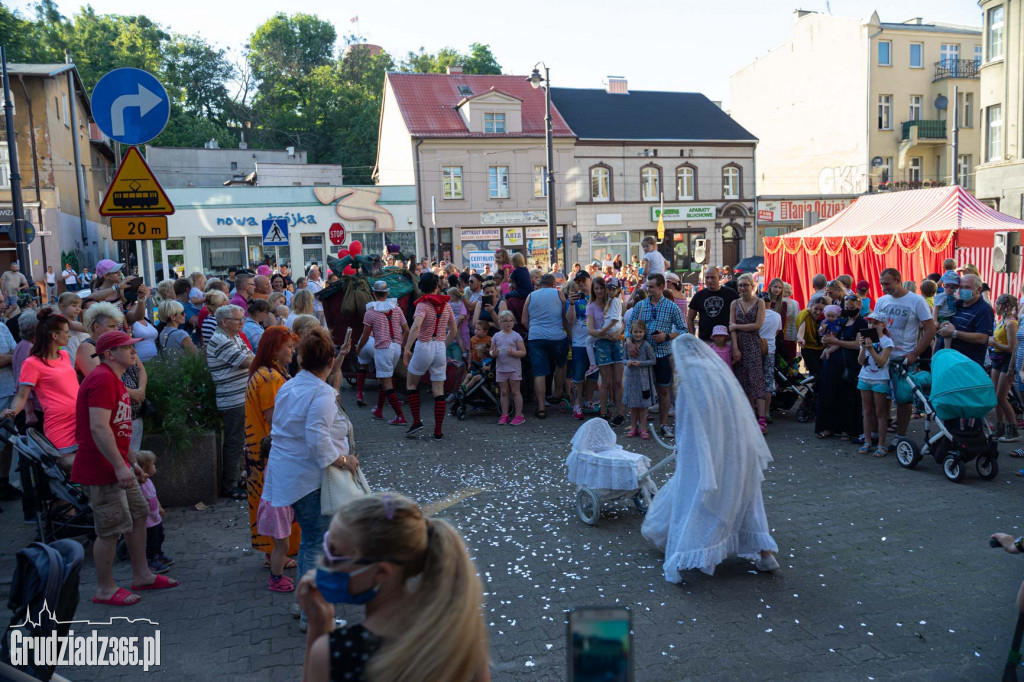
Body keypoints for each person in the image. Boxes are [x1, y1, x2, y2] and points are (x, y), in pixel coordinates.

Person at [297, 494, 489, 681]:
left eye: (335, 553)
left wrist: (318, 627)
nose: (323, 562)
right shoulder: (462, 640)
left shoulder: (335, 654)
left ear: (381, 572)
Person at [641, 333, 779, 577]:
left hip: (712, 454)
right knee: (746, 502)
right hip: (739, 450)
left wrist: (682, 448)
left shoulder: (689, 382)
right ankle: (765, 555)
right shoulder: (717, 373)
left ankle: (689, 552)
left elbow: (687, 424)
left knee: (703, 501)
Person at [72, 330, 178, 605]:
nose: (134, 352)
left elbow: (117, 430)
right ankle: (104, 588)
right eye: (127, 348)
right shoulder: (102, 380)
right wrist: (120, 467)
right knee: (109, 528)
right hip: (101, 467)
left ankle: (142, 574)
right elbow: (98, 428)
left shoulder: (115, 380)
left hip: (117, 464)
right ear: (109, 354)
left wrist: (132, 463)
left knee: (139, 514)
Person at [264, 328, 357, 629]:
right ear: (328, 362)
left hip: (290, 473)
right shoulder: (321, 393)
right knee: (317, 544)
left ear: (301, 359)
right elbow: (317, 440)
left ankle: (305, 604)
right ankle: (313, 615)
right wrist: (344, 460)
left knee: (309, 543)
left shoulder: (290, 386)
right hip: (307, 478)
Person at [245, 325, 302, 586]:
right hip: (269, 452)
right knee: (274, 506)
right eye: (288, 346)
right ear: (274, 349)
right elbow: (274, 420)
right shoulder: (268, 377)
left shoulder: (272, 372)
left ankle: (274, 552)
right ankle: (274, 554)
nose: (293, 350)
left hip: (266, 450)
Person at [3, 310, 79, 459]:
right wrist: (10, 412)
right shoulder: (32, 363)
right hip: (60, 425)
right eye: (66, 332)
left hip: (80, 419)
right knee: (70, 473)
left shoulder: (63, 355)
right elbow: (21, 396)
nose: (69, 335)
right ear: (54, 335)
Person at [627, 273, 685, 439]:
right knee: (640, 389)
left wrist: (666, 336)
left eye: (651, 286)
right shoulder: (641, 305)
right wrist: (629, 341)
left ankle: (664, 425)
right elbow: (628, 327)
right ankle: (639, 424)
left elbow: (683, 329)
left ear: (661, 287)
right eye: (647, 286)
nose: (648, 289)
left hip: (662, 353)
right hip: (642, 354)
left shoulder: (671, 306)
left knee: (664, 390)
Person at [207, 304, 255, 500]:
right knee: (235, 442)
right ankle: (230, 485)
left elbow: (250, 357)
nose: (242, 322)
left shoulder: (232, 337)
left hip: (240, 396)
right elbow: (247, 361)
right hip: (232, 399)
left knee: (241, 441)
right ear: (225, 322)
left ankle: (239, 477)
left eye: (243, 318)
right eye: (238, 319)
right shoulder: (220, 339)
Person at [403, 272, 458, 439]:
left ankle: (416, 422)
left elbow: (416, 326)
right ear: (437, 286)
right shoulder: (447, 306)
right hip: (440, 346)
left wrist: (407, 348)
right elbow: (454, 330)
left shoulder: (422, 305)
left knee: (412, 385)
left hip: (423, 346)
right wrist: (443, 344)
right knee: (439, 390)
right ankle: (438, 431)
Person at [356, 281, 409, 424]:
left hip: (383, 349)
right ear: (387, 293)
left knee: (386, 382)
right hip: (396, 347)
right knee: (383, 379)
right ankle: (378, 410)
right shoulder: (397, 309)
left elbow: (366, 335)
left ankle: (400, 416)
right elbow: (407, 330)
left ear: (373, 294)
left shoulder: (370, 312)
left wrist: (358, 348)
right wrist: (403, 344)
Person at [815, 295, 866, 440]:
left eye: (852, 308)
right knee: (829, 394)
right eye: (847, 308)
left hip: (849, 364)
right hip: (833, 363)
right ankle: (829, 427)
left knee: (847, 397)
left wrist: (837, 341)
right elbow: (828, 335)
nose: (849, 310)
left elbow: (857, 345)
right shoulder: (841, 320)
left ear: (859, 306)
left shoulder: (861, 323)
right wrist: (826, 341)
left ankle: (847, 429)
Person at [521, 273, 569, 419]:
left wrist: (534, 330)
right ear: (554, 284)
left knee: (539, 372)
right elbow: (565, 317)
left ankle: (541, 407)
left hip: (536, 337)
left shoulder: (531, 296)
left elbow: (524, 320)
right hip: (557, 336)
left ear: (540, 284)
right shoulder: (559, 294)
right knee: (561, 365)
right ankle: (557, 393)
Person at [729, 275, 769, 432]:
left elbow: (757, 325)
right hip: (739, 344)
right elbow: (731, 327)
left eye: (746, 285)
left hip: (753, 344)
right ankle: (749, 417)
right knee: (743, 380)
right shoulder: (734, 303)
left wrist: (737, 327)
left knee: (756, 380)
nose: (742, 288)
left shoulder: (760, 302)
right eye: (740, 285)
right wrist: (735, 347)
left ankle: (762, 419)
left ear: (752, 286)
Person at [587, 276, 626, 425]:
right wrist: (605, 335)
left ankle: (620, 413)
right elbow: (590, 330)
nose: (600, 291)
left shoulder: (614, 301)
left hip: (616, 342)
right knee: (605, 381)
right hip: (603, 342)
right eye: (596, 288)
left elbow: (621, 321)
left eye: (601, 288)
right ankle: (604, 412)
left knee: (618, 381)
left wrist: (618, 333)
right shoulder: (591, 306)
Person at [937, 273, 994, 369]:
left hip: (967, 364)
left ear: (979, 290)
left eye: (967, 287)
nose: (963, 290)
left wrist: (954, 333)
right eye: (961, 287)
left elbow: (982, 338)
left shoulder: (984, 309)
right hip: (947, 361)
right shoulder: (956, 304)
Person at [857, 312, 894, 457]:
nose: (872, 325)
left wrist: (871, 348)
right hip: (864, 378)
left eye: (876, 323)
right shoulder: (865, 339)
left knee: (880, 412)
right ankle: (867, 441)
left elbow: (882, 362)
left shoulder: (887, 342)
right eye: (870, 323)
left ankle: (881, 444)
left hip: (880, 380)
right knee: (867, 411)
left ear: (883, 325)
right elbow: (860, 362)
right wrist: (864, 347)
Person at [134, 450, 173, 574]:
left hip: (155, 517)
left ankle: (159, 553)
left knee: (160, 536)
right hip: (147, 520)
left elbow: (154, 496)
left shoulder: (149, 482)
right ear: (144, 468)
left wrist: (159, 507)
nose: (155, 467)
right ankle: (151, 560)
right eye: (152, 464)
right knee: (151, 540)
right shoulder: (138, 486)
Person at [565, 272, 597, 420]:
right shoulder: (574, 299)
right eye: (578, 281)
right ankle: (576, 404)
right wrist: (571, 304)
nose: (581, 284)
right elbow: (570, 320)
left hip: (596, 341)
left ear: (590, 280)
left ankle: (589, 401)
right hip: (579, 343)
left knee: (593, 375)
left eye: (583, 280)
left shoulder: (598, 296)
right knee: (577, 376)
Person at [989, 294, 1019, 442]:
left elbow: (1011, 348)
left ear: (1004, 306)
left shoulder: (1011, 323)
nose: (995, 306)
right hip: (997, 359)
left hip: (1007, 360)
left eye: (997, 304)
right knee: (995, 396)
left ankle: (1012, 429)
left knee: (1001, 396)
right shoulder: (1001, 321)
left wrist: (993, 343)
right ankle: (999, 427)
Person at [491, 310, 526, 425]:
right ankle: (504, 414)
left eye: (510, 321)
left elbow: (523, 352)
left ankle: (519, 415)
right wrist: (493, 354)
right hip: (501, 368)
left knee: (515, 391)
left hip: (514, 368)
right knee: (504, 392)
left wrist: (514, 353)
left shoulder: (516, 336)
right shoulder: (496, 336)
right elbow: (491, 350)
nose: (508, 323)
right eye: (505, 321)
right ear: (500, 322)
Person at [623, 319, 656, 439]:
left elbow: (653, 361)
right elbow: (624, 359)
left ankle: (643, 429)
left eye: (640, 332)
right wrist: (628, 362)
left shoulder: (647, 346)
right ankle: (633, 428)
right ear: (631, 332)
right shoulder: (628, 345)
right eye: (635, 332)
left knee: (643, 406)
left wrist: (640, 363)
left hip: (644, 381)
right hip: (632, 380)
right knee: (633, 406)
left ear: (644, 332)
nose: (637, 334)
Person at [686, 267, 739, 342]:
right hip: (705, 341)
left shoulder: (731, 294)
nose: (709, 280)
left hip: (726, 342)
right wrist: (693, 338)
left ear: (719, 277)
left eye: (713, 277)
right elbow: (690, 319)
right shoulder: (699, 295)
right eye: (707, 278)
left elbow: (740, 315)